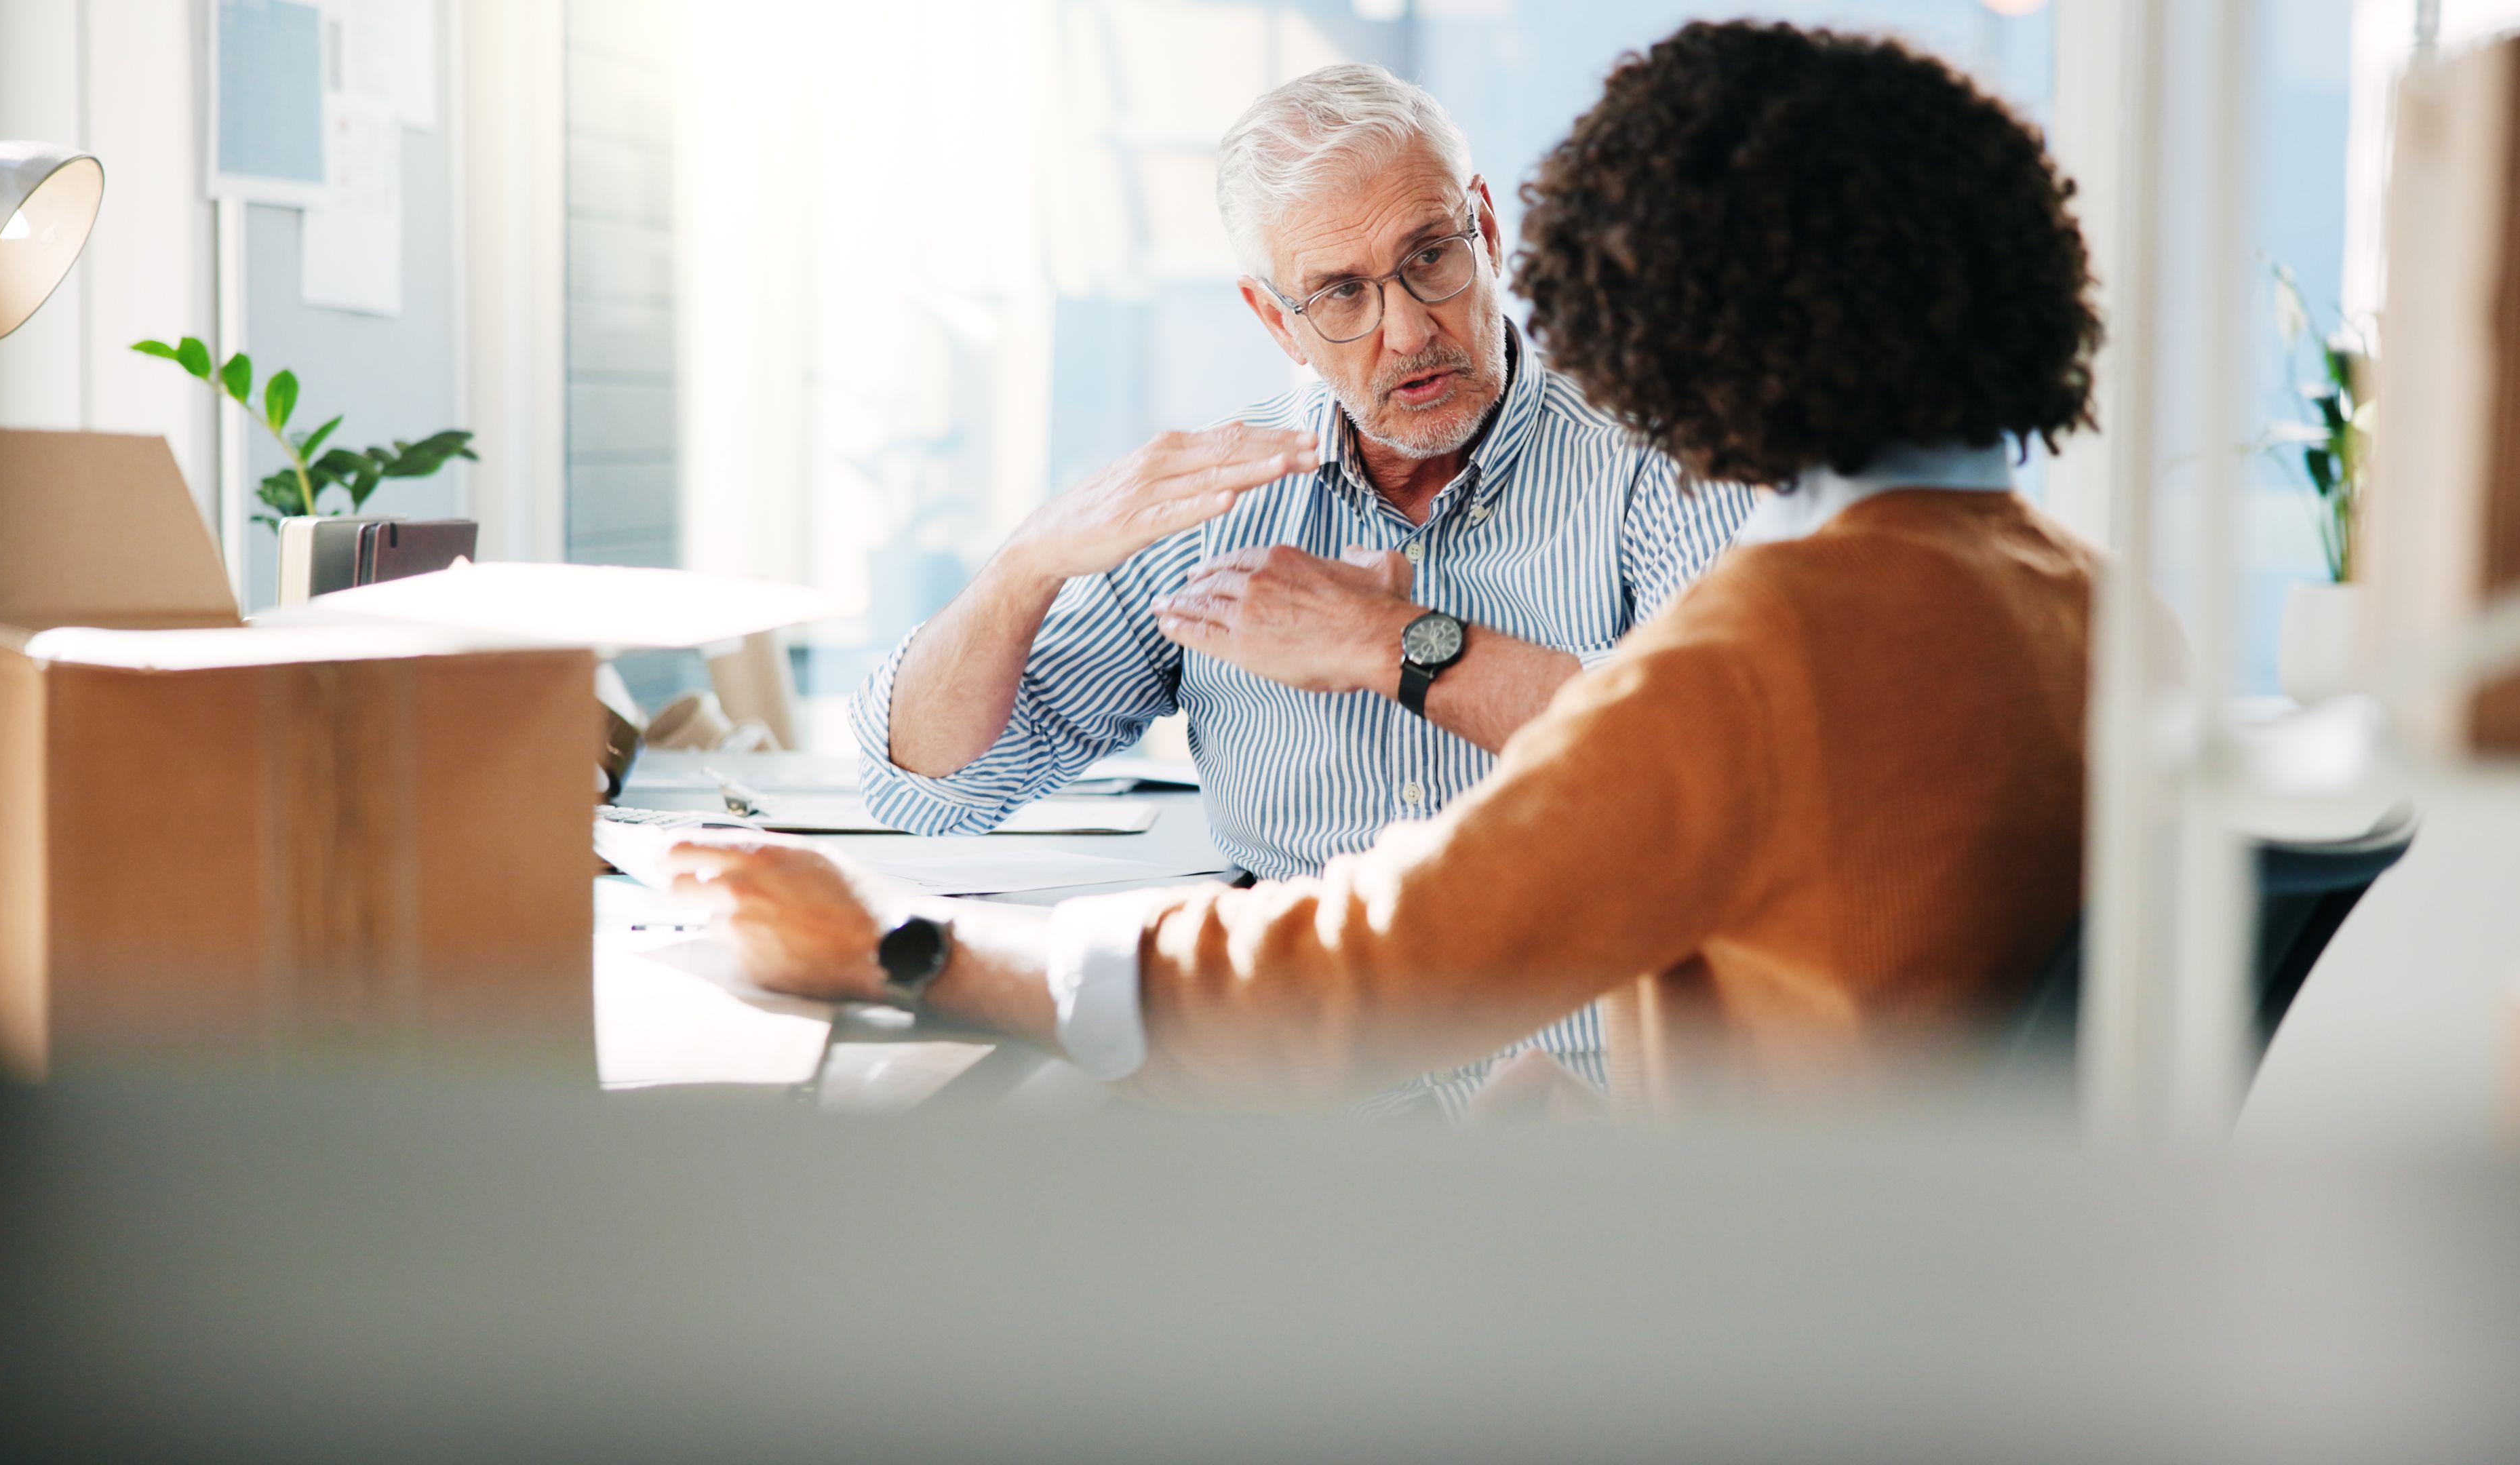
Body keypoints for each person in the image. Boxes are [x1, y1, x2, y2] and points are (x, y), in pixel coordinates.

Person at [677, 22, 2107, 1118]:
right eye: (1343, 294)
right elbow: (930, 781)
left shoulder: (1774, 647)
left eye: (1436, 260)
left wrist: (899, 954)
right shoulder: (2076, 600)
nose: (1410, 326)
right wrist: (1028, 563)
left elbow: (1374, 963)